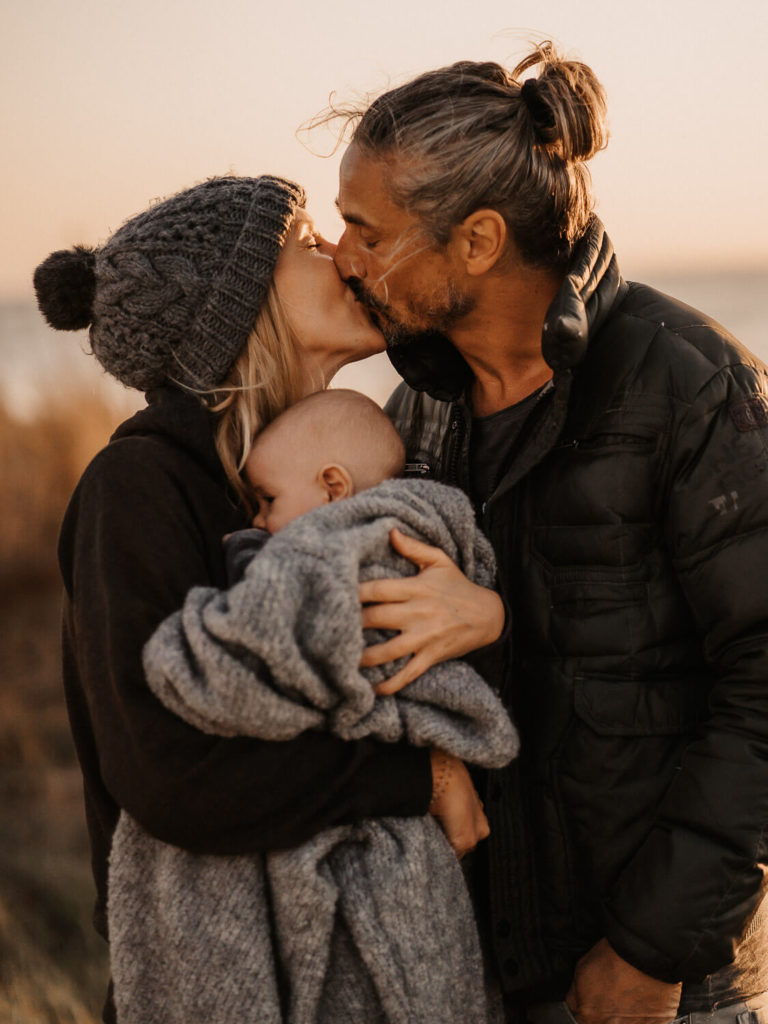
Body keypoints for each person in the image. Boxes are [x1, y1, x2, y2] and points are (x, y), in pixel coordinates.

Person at [330, 41, 768, 1024]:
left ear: (478, 241)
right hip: (485, 977)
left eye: (366, 228)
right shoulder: (416, 414)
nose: (343, 256)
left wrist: (654, 948)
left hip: (663, 989)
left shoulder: (686, 380)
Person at [33, 175, 501, 1023]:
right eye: (307, 245)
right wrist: (419, 777)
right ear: (239, 301)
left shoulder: (348, 470)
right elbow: (170, 779)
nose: (345, 259)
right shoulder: (137, 486)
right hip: (208, 978)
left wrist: (489, 616)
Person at [107, 387, 517, 1023]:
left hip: (376, 844)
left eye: (269, 502)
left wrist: (202, 640)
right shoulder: (422, 530)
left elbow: (243, 664)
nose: (261, 523)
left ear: (333, 488)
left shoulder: (341, 552)